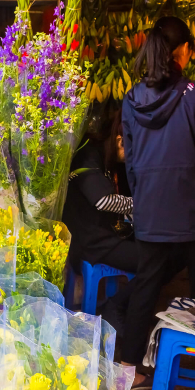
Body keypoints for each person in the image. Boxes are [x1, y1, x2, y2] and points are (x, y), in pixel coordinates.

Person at [117, 16, 195, 390]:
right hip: (192, 205)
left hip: (150, 205)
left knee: (146, 284)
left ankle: (130, 367)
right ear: (183, 51)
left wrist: (141, 198)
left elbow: (130, 161)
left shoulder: (131, 99)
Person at [62, 112, 137, 276]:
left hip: (104, 236)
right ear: (120, 141)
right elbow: (103, 200)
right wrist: (143, 205)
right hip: (92, 242)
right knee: (155, 262)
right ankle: (117, 302)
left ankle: (121, 301)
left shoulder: (111, 160)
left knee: (159, 259)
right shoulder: (89, 153)